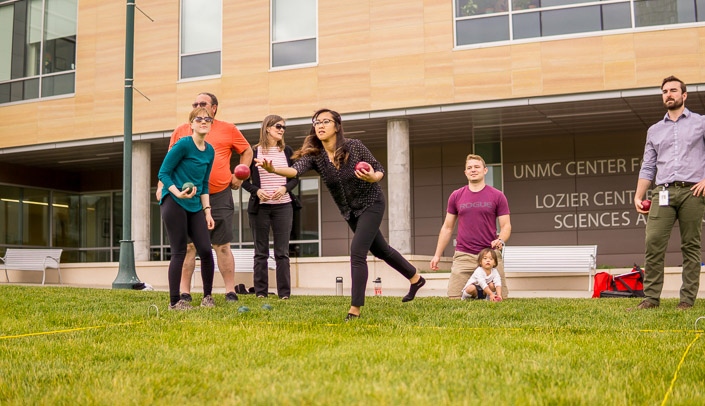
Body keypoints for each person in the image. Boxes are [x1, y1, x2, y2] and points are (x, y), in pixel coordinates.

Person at [256, 108, 426, 320]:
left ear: (337, 126)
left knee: (357, 252)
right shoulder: (315, 156)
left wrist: (373, 177)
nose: (320, 125)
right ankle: (415, 278)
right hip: (350, 211)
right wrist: (274, 171)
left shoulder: (354, 146)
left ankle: (355, 309)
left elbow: (378, 168)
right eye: (317, 122)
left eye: (325, 121)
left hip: (371, 202)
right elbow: (295, 170)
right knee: (381, 250)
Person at [157, 92, 253, 303]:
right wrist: (164, 188)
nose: (201, 114)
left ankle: (227, 292)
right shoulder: (182, 136)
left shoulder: (224, 133)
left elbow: (246, 151)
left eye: (204, 107)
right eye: (195, 107)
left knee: (221, 246)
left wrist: (239, 177)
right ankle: (182, 295)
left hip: (214, 195)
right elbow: (166, 167)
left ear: (214, 109)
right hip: (180, 198)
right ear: (191, 121)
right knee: (186, 248)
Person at [632, 75, 705, 311]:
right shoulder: (654, 130)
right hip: (661, 192)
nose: (669, 94)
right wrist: (638, 194)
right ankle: (651, 298)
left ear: (684, 95)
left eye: (673, 90)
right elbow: (648, 166)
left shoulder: (700, 123)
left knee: (690, 245)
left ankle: (687, 300)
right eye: (665, 91)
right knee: (653, 242)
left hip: (692, 192)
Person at [430, 154, 512, 299]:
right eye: (469, 168)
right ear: (465, 172)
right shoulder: (456, 196)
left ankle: (483, 295)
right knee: (454, 298)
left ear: (485, 170)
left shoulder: (497, 196)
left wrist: (501, 240)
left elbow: (506, 226)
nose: (473, 170)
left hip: (490, 254)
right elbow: (447, 228)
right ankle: (476, 294)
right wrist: (437, 255)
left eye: (476, 167)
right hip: (464, 255)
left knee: (501, 298)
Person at [158, 107, 216, 310]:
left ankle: (207, 297)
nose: (203, 122)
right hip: (173, 201)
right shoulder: (183, 144)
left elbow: (205, 183)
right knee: (179, 251)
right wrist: (177, 192)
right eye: (198, 119)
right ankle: (175, 302)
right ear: (191, 124)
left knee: (206, 251)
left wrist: (207, 210)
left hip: (194, 206)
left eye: (207, 119)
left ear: (211, 124)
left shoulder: (210, 151)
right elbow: (163, 173)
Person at [242, 115, 300, 299]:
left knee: (282, 252)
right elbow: (242, 179)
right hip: (261, 208)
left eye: (283, 127)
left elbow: (294, 178)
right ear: (267, 128)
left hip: (284, 207)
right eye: (278, 126)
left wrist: (284, 188)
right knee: (261, 252)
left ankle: (284, 294)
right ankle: (261, 293)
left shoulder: (287, 151)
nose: (282, 129)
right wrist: (257, 191)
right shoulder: (254, 152)